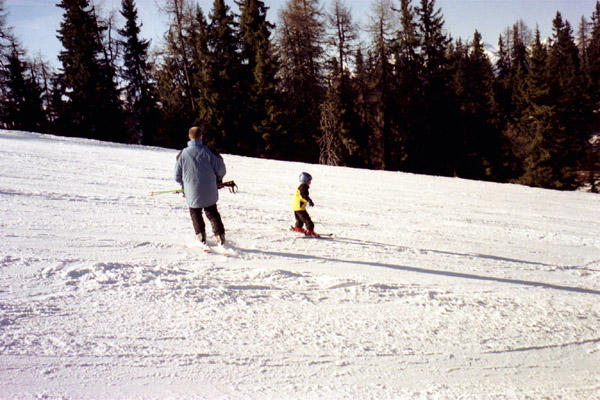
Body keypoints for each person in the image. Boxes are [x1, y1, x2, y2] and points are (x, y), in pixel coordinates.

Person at [175, 126, 227, 246]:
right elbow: (221, 169)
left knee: (195, 211)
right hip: (210, 191)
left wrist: (183, 186)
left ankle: (200, 235)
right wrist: (218, 179)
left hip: (191, 192)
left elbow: (177, 176)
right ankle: (220, 235)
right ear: (201, 136)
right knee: (212, 211)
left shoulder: (182, 154)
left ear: (189, 136)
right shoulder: (209, 151)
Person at [291, 172, 319, 237]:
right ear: (305, 180)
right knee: (308, 220)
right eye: (309, 181)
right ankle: (310, 231)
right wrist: (309, 200)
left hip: (296, 206)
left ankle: (298, 228)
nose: (310, 182)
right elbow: (304, 195)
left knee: (300, 219)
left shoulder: (302, 186)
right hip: (299, 207)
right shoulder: (303, 187)